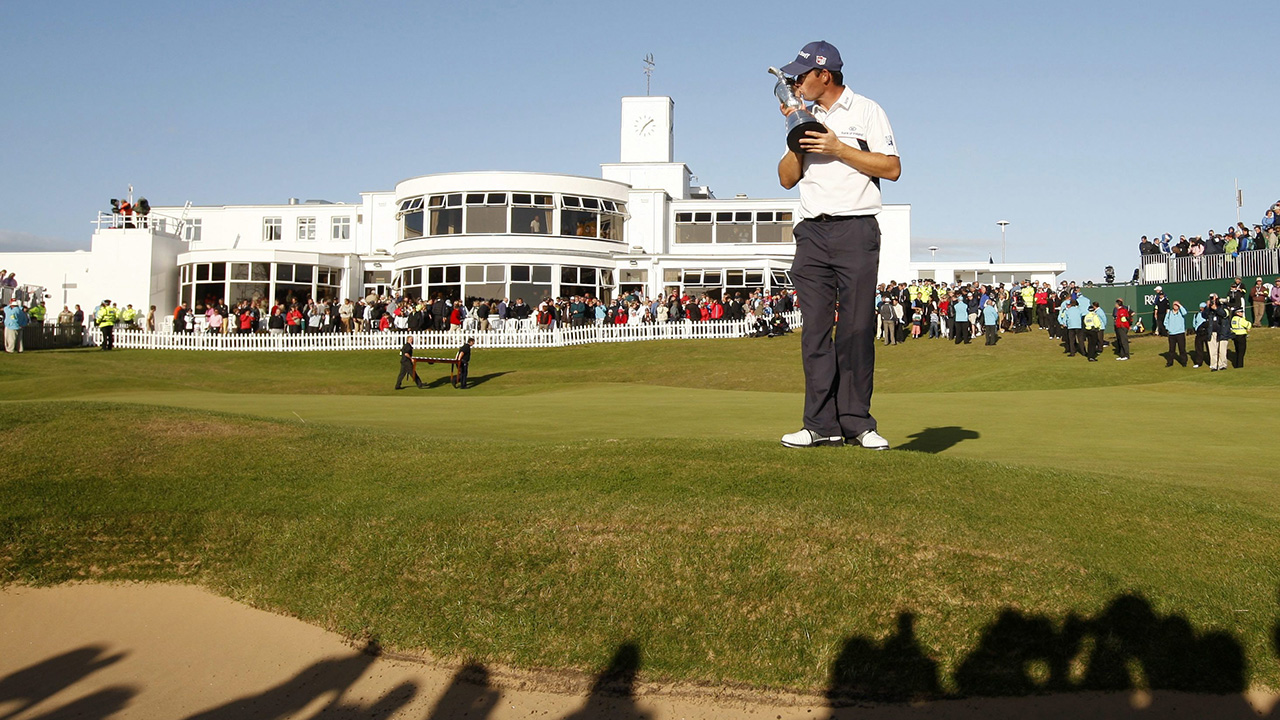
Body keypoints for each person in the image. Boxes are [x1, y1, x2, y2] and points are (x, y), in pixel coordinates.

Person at [774, 41, 900, 450]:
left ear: (823, 75)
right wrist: (796, 130)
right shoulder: (804, 113)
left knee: (857, 330)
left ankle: (858, 423)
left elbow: (892, 168)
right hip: (812, 234)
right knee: (814, 332)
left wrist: (838, 148)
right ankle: (820, 425)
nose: (795, 82)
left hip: (856, 231)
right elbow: (786, 178)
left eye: (801, 75)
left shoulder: (867, 111)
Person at [1163, 299, 1187, 368]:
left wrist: (1179, 305)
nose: (1175, 306)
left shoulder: (1181, 312)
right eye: (1174, 305)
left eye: (1177, 305)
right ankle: (1170, 362)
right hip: (1172, 334)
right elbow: (1165, 322)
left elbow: (1185, 312)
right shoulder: (1169, 313)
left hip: (1180, 333)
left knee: (1182, 349)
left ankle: (1184, 362)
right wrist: (1168, 328)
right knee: (1171, 349)